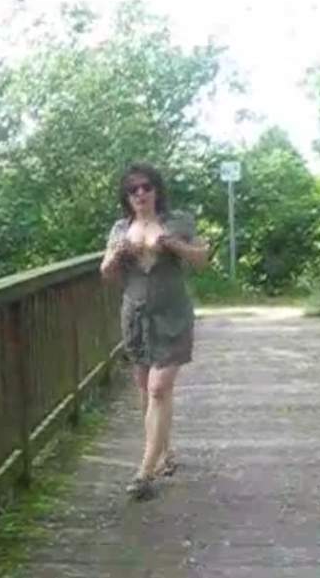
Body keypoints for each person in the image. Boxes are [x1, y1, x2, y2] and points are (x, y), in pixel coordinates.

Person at [100, 163, 209, 500]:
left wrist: (173, 245)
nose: (140, 194)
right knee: (147, 390)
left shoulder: (177, 221)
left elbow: (201, 259)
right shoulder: (121, 229)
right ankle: (164, 451)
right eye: (132, 189)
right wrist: (117, 255)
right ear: (126, 196)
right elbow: (106, 273)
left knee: (159, 388)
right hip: (136, 316)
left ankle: (144, 472)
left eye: (146, 187)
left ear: (157, 190)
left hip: (172, 314)